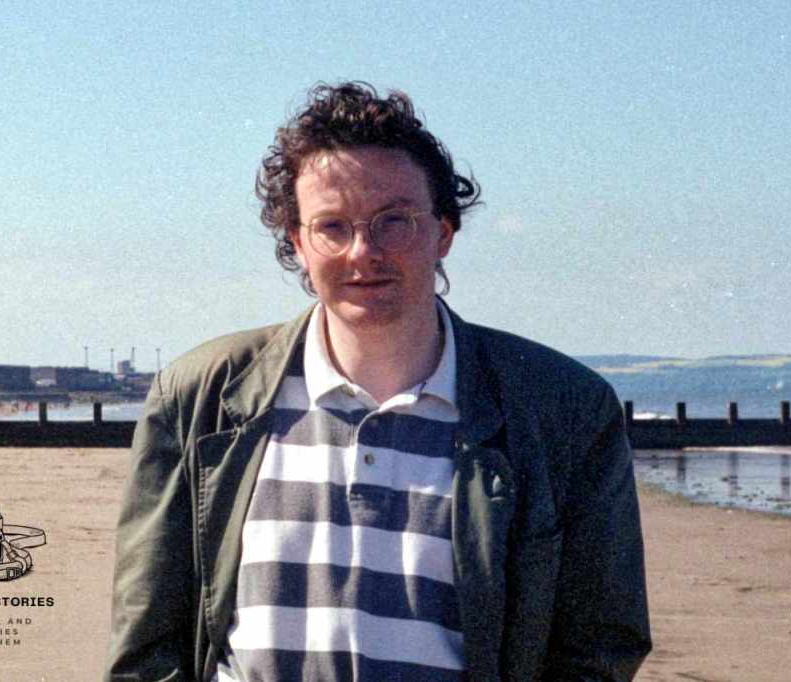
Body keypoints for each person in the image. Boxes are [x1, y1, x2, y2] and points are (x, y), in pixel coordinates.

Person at [106, 81, 651, 681]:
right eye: (332, 227)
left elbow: (599, 647)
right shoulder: (200, 398)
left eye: (394, 221)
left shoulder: (563, 409)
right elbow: (146, 643)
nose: (363, 252)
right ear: (298, 244)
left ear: (444, 231)